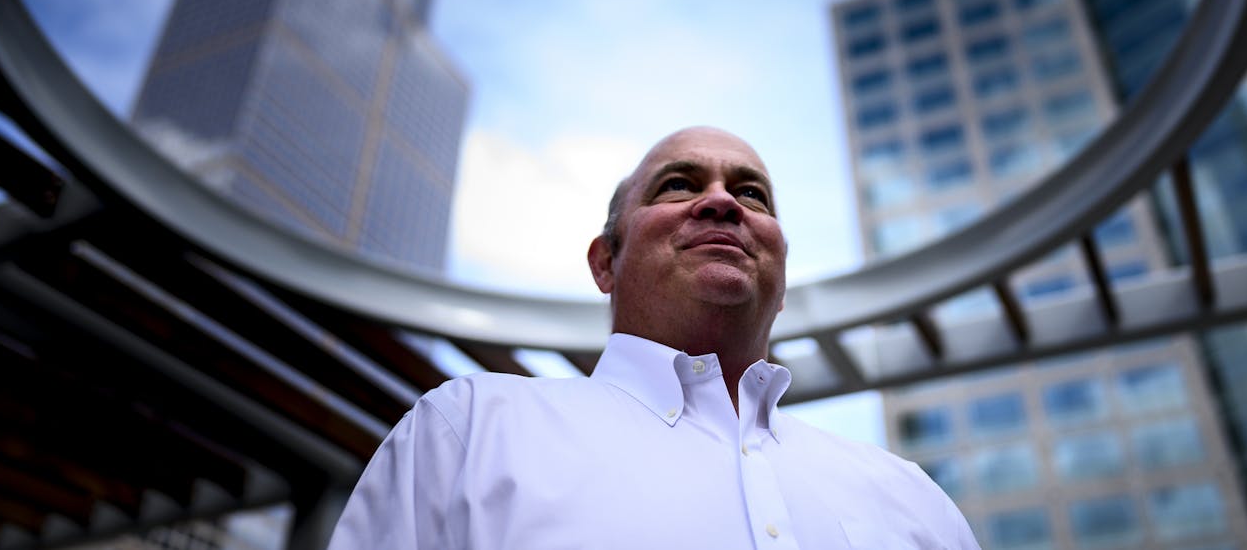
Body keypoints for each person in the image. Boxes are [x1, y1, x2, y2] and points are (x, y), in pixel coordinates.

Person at [327, 126, 979, 549]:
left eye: (751, 195)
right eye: (679, 185)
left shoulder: (911, 496)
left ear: (781, 274)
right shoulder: (470, 432)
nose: (722, 202)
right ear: (605, 262)